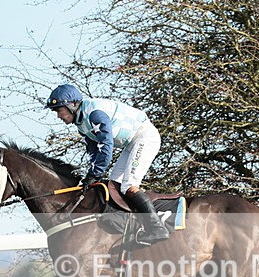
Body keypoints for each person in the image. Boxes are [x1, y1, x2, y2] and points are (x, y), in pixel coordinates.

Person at [46, 83, 170, 245]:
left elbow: (106, 146)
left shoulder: (95, 114)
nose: (58, 116)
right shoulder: (81, 124)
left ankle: (157, 228)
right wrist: (90, 175)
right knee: (115, 185)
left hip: (144, 137)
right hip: (131, 143)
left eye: (59, 110)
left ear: (72, 105)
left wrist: (95, 173)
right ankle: (132, 222)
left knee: (128, 185)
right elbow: (94, 151)